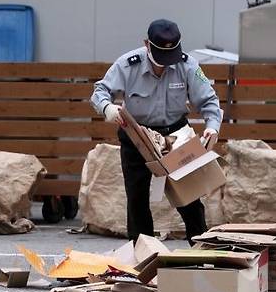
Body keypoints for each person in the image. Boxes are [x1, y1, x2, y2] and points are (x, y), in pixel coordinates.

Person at [90, 19, 221, 245]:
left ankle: (201, 249)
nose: (165, 64)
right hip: (137, 136)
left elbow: (209, 100)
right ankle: (144, 253)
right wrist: (107, 107)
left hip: (176, 134)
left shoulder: (188, 65)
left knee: (190, 197)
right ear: (147, 45)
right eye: (161, 57)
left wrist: (212, 127)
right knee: (137, 198)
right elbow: (100, 91)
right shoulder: (128, 64)